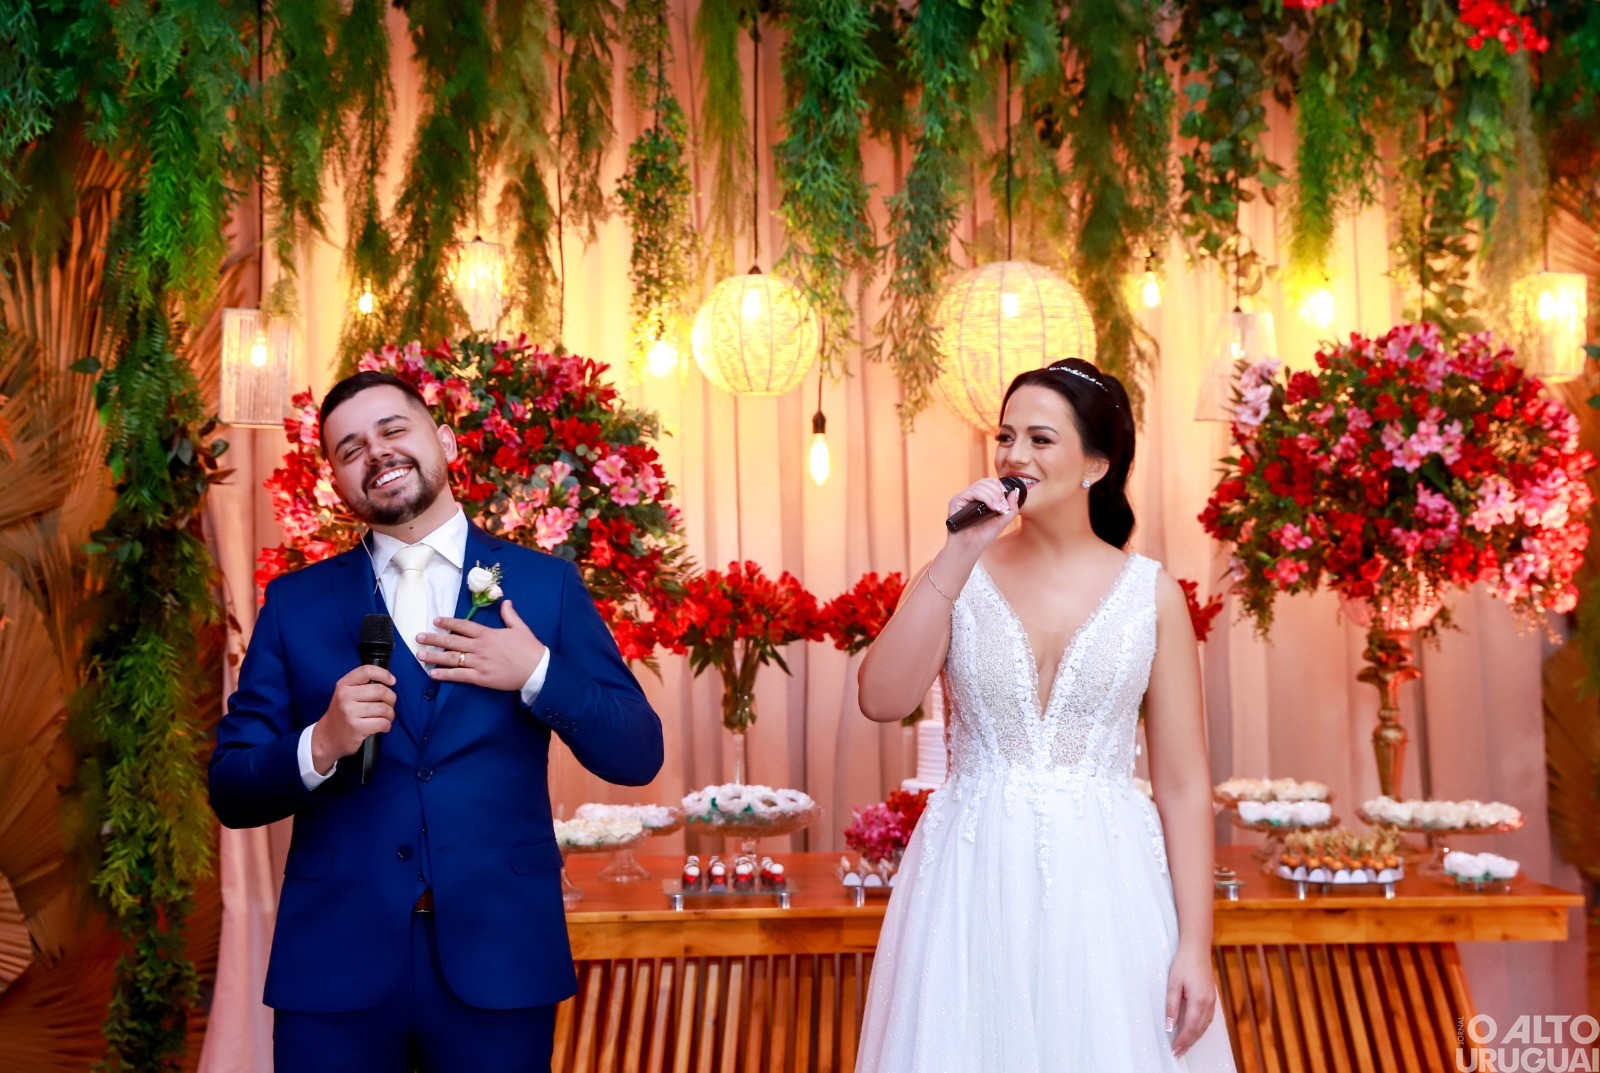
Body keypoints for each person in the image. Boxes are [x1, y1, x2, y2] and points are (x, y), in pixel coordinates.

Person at [209, 370, 664, 1073]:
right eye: (350, 447)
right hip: (333, 964)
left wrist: (538, 671)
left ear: (444, 440)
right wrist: (321, 742)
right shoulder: (295, 604)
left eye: (394, 429)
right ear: (337, 481)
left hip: (502, 957)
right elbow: (232, 788)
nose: (377, 452)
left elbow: (638, 751)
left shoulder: (544, 586)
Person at [854, 359, 1235, 1072]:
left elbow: (1183, 783)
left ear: (1096, 463)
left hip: (1108, 880)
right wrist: (962, 547)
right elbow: (881, 698)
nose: (1013, 456)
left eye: (1039, 438)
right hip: (969, 875)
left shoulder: (1152, 595)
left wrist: (1194, 944)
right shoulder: (954, 575)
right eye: (1004, 436)